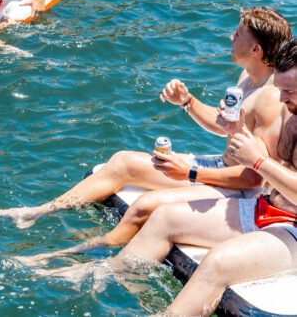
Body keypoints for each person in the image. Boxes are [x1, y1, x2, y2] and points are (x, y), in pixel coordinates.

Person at [32, 37, 297, 317]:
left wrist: (258, 160)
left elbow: (260, 166)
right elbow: (261, 161)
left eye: (289, 90)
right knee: (164, 217)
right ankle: (106, 272)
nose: (282, 98)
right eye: (280, 89)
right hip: (267, 209)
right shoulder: (291, 110)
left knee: (217, 263)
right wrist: (237, 130)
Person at [0, 7, 291, 243]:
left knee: (145, 204)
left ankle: (93, 250)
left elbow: (254, 178)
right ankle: (40, 211)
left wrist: (191, 173)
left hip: (236, 189)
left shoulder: (269, 98)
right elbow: (225, 128)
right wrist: (188, 102)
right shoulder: (247, 78)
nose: (230, 37)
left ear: (256, 49)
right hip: (221, 168)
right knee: (123, 161)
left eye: (238, 35)